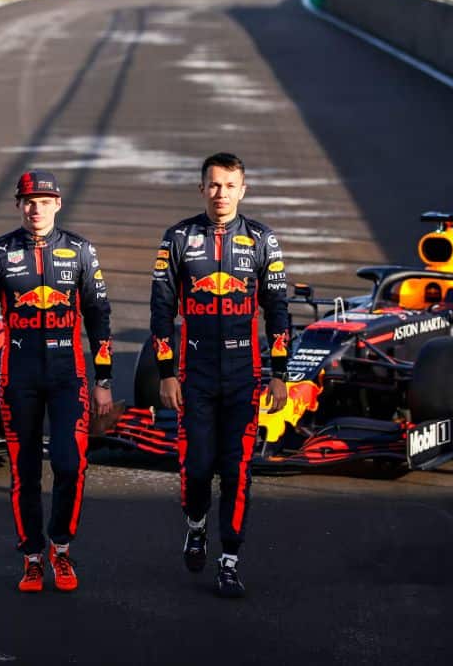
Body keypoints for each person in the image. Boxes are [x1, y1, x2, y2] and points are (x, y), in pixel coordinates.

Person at [150, 152, 290, 598]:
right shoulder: (177, 238)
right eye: (213, 185)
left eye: (230, 186)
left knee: (238, 471)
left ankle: (229, 561)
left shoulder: (263, 240)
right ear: (201, 189)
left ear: (243, 190)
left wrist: (280, 374)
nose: (221, 194)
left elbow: (279, 310)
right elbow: (161, 310)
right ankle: (195, 524)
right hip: (195, 375)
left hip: (245, 376)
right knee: (196, 468)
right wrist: (166, 373)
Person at [0, 170, 113, 593]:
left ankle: (61, 547)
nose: (36, 208)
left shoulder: (81, 251)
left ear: (58, 204)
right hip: (18, 376)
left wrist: (104, 378)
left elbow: (99, 316)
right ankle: (32, 557)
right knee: (24, 472)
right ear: (19, 205)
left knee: (71, 463)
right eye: (29, 201)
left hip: (70, 375)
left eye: (44, 200)